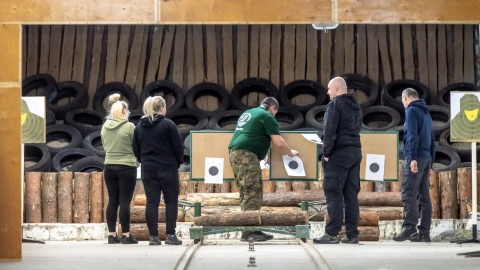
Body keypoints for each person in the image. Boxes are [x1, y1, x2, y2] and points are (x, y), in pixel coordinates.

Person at [228, 97, 299, 242]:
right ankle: (250, 232)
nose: (274, 116)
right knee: (253, 191)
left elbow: (254, 134)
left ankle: (248, 229)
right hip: (247, 155)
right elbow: (279, 143)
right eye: (275, 112)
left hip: (236, 153)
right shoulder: (267, 116)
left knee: (246, 192)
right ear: (273, 108)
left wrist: (265, 151)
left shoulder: (250, 113)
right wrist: (290, 153)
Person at [313, 77, 363, 245]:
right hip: (355, 151)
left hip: (339, 153)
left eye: (328, 89)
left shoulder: (335, 104)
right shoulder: (356, 106)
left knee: (333, 191)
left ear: (336, 88)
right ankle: (352, 234)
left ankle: (332, 233)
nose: (327, 92)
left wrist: (326, 152)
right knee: (351, 195)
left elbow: (329, 129)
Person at [132, 96, 184, 246]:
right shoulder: (168, 124)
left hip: (148, 168)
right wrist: (178, 162)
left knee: (152, 202)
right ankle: (170, 235)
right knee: (171, 201)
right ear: (162, 108)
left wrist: (144, 160)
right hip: (167, 167)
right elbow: (178, 147)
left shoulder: (139, 127)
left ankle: (153, 237)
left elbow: (136, 148)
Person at [393, 88, 435, 243]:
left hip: (416, 157)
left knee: (408, 192)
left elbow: (411, 135)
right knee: (424, 197)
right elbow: (432, 138)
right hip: (426, 158)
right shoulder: (426, 113)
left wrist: (411, 158)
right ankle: (424, 233)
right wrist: (431, 161)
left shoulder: (411, 111)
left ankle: (409, 228)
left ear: (405, 97)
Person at [101, 93, 138, 244]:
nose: (129, 112)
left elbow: (104, 145)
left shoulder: (104, 127)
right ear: (122, 112)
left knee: (112, 201)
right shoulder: (129, 127)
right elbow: (136, 146)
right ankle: (126, 235)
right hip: (127, 167)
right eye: (127, 110)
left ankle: (111, 235)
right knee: (124, 202)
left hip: (109, 166)